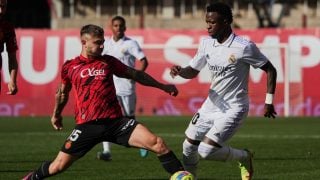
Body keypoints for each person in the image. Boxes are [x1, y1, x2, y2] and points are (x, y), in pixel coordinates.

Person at [22, 24, 184, 180]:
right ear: (84, 43)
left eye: (103, 42)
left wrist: (162, 86)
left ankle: (181, 175)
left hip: (116, 123)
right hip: (87, 126)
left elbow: (135, 74)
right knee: (57, 166)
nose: (101, 46)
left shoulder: (108, 61)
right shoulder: (70, 67)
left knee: (158, 143)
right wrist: (56, 114)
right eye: (97, 42)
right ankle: (31, 178)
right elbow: (62, 93)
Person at [170, 2, 277, 180]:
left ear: (226, 22)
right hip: (210, 106)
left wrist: (269, 101)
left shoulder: (243, 46)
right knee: (188, 147)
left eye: (212, 22)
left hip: (234, 108)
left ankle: (244, 157)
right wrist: (181, 71)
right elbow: (193, 71)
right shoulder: (206, 44)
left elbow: (271, 69)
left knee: (205, 150)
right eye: (207, 22)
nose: (208, 26)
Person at [97, 16, 149, 161]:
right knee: (104, 117)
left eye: (121, 26)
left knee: (129, 119)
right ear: (111, 27)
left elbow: (144, 61)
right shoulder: (106, 44)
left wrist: (136, 77)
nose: (118, 28)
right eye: (115, 25)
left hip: (127, 88)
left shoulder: (131, 43)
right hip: (109, 87)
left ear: (125, 28)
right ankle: (107, 152)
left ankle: (143, 143)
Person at [0, 0, 18, 95]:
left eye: (3, 7)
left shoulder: (7, 27)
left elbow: (12, 57)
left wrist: (12, 80)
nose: (0, 11)